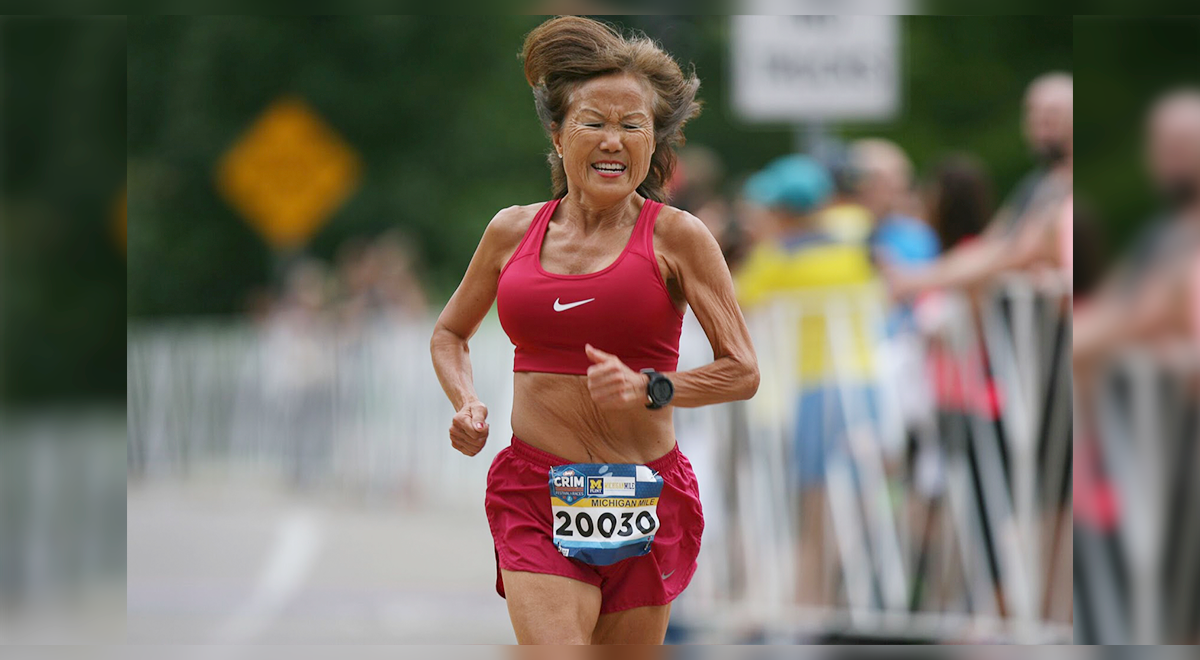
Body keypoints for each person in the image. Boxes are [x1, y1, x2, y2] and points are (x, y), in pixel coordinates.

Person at [429, 16, 759, 645]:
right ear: (558, 136)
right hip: (535, 490)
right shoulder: (511, 231)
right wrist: (466, 401)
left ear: (654, 145)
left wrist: (652, 387)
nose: (614, 141)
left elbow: (742, 370)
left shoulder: (678, 237)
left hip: (643, 490)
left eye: (633, 126)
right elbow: (449, 333)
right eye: (594, 123)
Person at [733, 154, 876, 605]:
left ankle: (812, 599)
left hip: (817, 388)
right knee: (862, 497)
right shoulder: (855, 243)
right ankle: (848, 598)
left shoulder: (779, 256)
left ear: (783, 211)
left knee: (815, 501)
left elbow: (732, 300)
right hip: (866, 382)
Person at [887, 72, 1073, 298]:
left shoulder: (1063, 187)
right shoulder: (1039, 183)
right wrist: (917, 278)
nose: (1038, 122)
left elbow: (1014, 252)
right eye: (1032, 111)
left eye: (1052, 113)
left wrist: (916, 280)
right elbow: (991, 243)